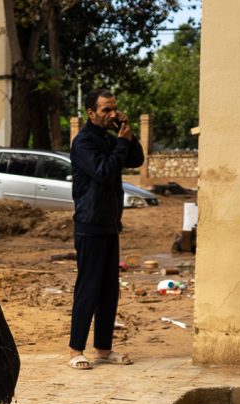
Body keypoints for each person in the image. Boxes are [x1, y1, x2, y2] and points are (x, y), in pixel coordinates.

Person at [67, 87, 144, 370]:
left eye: (114, 109)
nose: (112, 114)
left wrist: (127, 133)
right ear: (91, 113)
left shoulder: (110, 140)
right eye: (106, 110)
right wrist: (121, 145)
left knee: (109, 290)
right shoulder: (83, 143)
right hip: (89, 225)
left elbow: (136, 160)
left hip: (110, 224)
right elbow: (104, 171)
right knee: (88, 288)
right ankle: (76, 349)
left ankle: (103, 349)